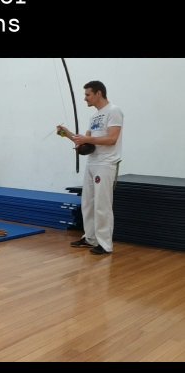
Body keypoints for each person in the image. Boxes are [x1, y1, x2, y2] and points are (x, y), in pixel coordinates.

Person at [57, 80, 123, 255]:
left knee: (102, 205)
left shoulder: (114, 111)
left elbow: (111, 139)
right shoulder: (93, 116)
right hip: (92, 163)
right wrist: (68, 134)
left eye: (88, 94)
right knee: (88, 203)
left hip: (106, 164)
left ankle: (105, 244)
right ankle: (90, 238)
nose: (85, 98)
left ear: (98, 93)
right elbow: (85, 144)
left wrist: (86, 139)